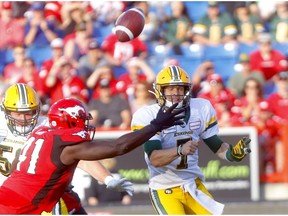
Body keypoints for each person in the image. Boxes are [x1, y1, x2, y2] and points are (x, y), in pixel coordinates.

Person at [0, 96, 184, 214]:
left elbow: (16, 166)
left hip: (11, 195)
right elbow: (119, 146)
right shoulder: (67, 144)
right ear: (70, 120)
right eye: (81, 120)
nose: (85, 124)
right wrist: (155, 126)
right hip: (20, 207)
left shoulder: (40, 133)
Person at [131, 65, 251, 215]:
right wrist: (180, 150)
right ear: (160, 91)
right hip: (164, 187)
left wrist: (231, 154)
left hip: (192, 184)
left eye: (180, 89)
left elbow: (217, 146)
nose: (176, 94)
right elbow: (154, 158)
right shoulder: (147, 115)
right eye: (170, 89)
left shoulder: (201, 108)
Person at [0, 83, 135, 214]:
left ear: (38, 110)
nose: (23, 119)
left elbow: (80, 156)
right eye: (17, 113)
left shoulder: (49, 125)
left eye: (29, 112)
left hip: (45, 195)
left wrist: (107, 178)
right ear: (5, 110)